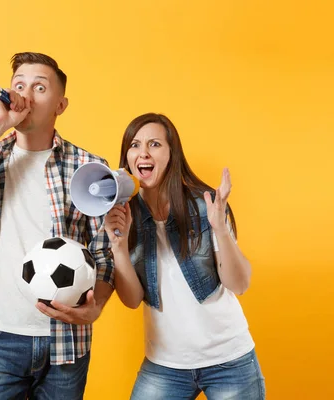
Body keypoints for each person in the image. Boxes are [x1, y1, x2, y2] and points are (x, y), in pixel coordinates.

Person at [0, 52, 114, 399]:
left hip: (66, 341)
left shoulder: (89, 167)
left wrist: (97, 306)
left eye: (39, 87)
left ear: (60, 105)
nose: (26, 95)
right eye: (19, 85)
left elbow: (105, 254)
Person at [104, 113, 265, 399]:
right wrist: (118, 247)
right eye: (135, 145)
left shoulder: (206, 205)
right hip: (165, 365)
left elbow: (239, 284)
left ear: (171, 154)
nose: (143, 152)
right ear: (127, 157)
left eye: (154, 144)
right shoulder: (125, 213)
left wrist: (220, 228)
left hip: (229, 360)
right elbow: (131, 300)